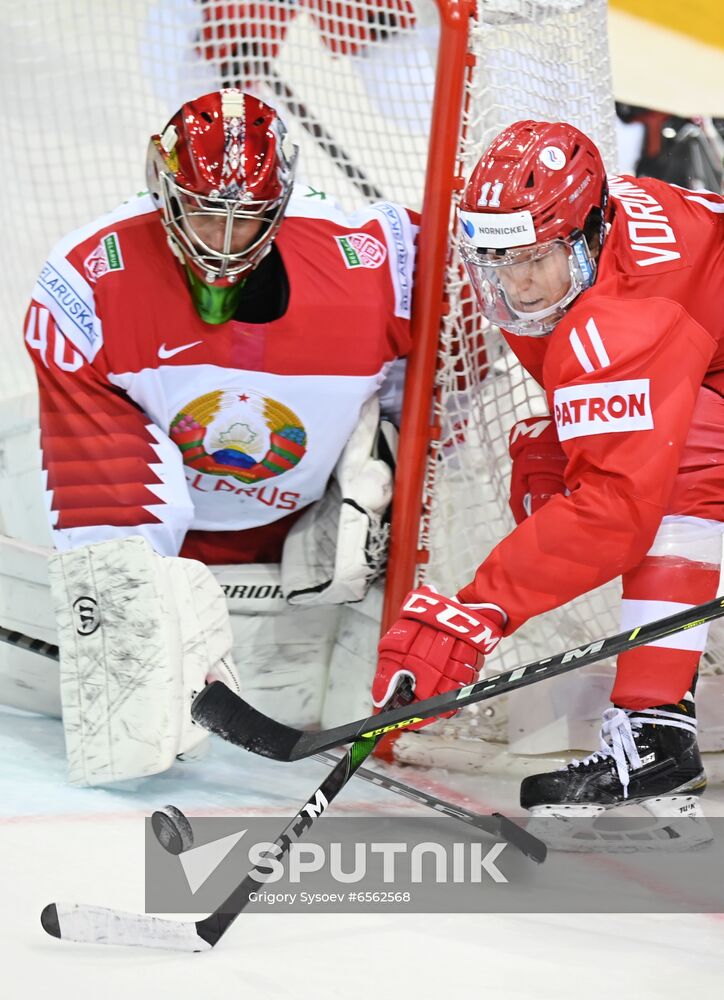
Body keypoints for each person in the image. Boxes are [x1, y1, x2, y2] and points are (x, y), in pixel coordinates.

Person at [23, 88, 416, 785]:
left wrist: (390, 450)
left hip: (298, 532)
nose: (225, 241)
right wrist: (135, 624)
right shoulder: (89, 280)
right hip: (177, 526)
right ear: (162, 188)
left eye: (250, 220)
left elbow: (467, 355)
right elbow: (103, 486)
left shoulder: (379, 261)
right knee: (127, 712)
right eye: (206, 214)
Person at [373, 118, 724, 819]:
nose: (520, 285)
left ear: (589, 230)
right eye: (499, 259)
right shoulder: (580, 232)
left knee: (676, 461)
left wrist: (475, 612)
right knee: (550, 454)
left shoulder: (623, 321)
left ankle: (654, 728)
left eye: (536, 258)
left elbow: (616, 512)